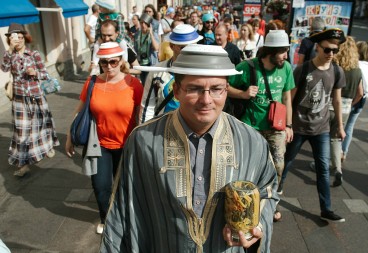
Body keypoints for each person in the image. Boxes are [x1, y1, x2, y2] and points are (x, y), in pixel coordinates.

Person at [100, 44, 279, 253]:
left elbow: (267, 191)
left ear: (226, 90)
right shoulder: (143, 141)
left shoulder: (252, 142)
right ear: (176, 91)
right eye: (194, 89)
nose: (206, 100)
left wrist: (254, 228)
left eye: (216, 89)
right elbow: (123, 207)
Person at [65, 42, 143, 235]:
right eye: (104, 62)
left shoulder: (133, 84)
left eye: (113, 62)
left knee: (125, 186)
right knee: (101, 187)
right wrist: (69, 135)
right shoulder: (92, 82)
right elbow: (80, 109)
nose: (109, 66)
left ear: (121, 61)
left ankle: (125, 217)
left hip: (127, 144)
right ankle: (105, 218)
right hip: (98, 143)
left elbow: (141, 115)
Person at [280, 28, 347, 222]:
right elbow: (289, 98)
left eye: (335, 50)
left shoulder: (336, 70)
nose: (331, 54)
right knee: (286, 165)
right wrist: (287, 124)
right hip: (299, 127)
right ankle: (274, 197)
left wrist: (340, 126)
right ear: (318, 48)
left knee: (323, 169)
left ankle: (326, 208)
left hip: (322, 129)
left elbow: (337, 101)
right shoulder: (304, 68)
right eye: (327, 50)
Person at [228, 30, 295, 222]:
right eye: (283, 51)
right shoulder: (248, 67)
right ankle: (246, 204)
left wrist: (289, 125)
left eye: (287, 51)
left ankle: (272, 203)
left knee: (278, 165)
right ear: (271, 51)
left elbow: (286, 97)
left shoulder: (287, 68)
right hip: (251, 126)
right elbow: (224, 86)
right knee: (249, 167)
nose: (286, 55)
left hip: (276, 126)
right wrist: (242, 94)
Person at [1, 23, 59, 177]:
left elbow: (45, 74)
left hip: (36, 97)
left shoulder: (34, 55)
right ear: (10, 40)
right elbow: (4, 69)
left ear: (25, 38)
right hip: (19, 100)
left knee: (42, 127)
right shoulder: (10, 55)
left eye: (20, 37)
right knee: (21, 133)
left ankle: (46, 147)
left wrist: (35, 73)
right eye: (14, 38)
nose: (18, 41)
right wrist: (9, 51)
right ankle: (23, 165)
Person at [139, 24, 203, 123]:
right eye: (183, 47)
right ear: (171, 46)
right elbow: (148, 108)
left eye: (193, 46)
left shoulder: (204, 72)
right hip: (163, 131)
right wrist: (144, 134)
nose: (189, 51)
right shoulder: (157, 72)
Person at [328, 36, 363, 186]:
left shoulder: (334, 66)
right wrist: (349, 104)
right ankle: (337, 169)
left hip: (328, 105)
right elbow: (360, 93)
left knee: (322, 137)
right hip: (346, 108)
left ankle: (321, 164)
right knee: (335, 138)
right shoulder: (357, 70)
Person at [342, 41, 368, 162]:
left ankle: (335, 152)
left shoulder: (354, 65)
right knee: (349, 127)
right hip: (362, 100)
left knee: (339, 126)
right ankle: (344, 152)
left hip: (350, 98)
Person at [90, 0, 129, 75]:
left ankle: (124, 63)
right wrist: (99, 38)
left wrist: (116, 42)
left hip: (117, 39)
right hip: (103, 39)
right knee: (96, 46)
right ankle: (94, 65)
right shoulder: (100, 16)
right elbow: (97, 29)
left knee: (123, 44)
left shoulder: (117, 16)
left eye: (101, 7)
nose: (99, 8)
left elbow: (122, 31)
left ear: (106, 7)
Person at [134, 13, 159, 85]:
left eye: (145, 23)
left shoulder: (154, 34)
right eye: (141, 23)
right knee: (143, 84)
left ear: (149, 24)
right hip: (141, 62)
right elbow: (135, 48)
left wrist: (151, 34)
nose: (143, 25)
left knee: (149, 84)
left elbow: (156, 48)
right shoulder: (137, 34)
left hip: (150, 63)